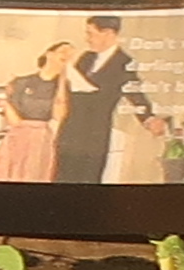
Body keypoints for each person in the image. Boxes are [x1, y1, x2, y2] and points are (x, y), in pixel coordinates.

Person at [61, 16, 144, 182]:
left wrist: (148, 118)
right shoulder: (86, 58)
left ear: (108, 33)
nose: (87, 39)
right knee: (63, 177)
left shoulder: (124, 62)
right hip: (71, 129)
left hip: (95, 131)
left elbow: (134, 93)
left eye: (91, 34)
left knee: (88, 177)